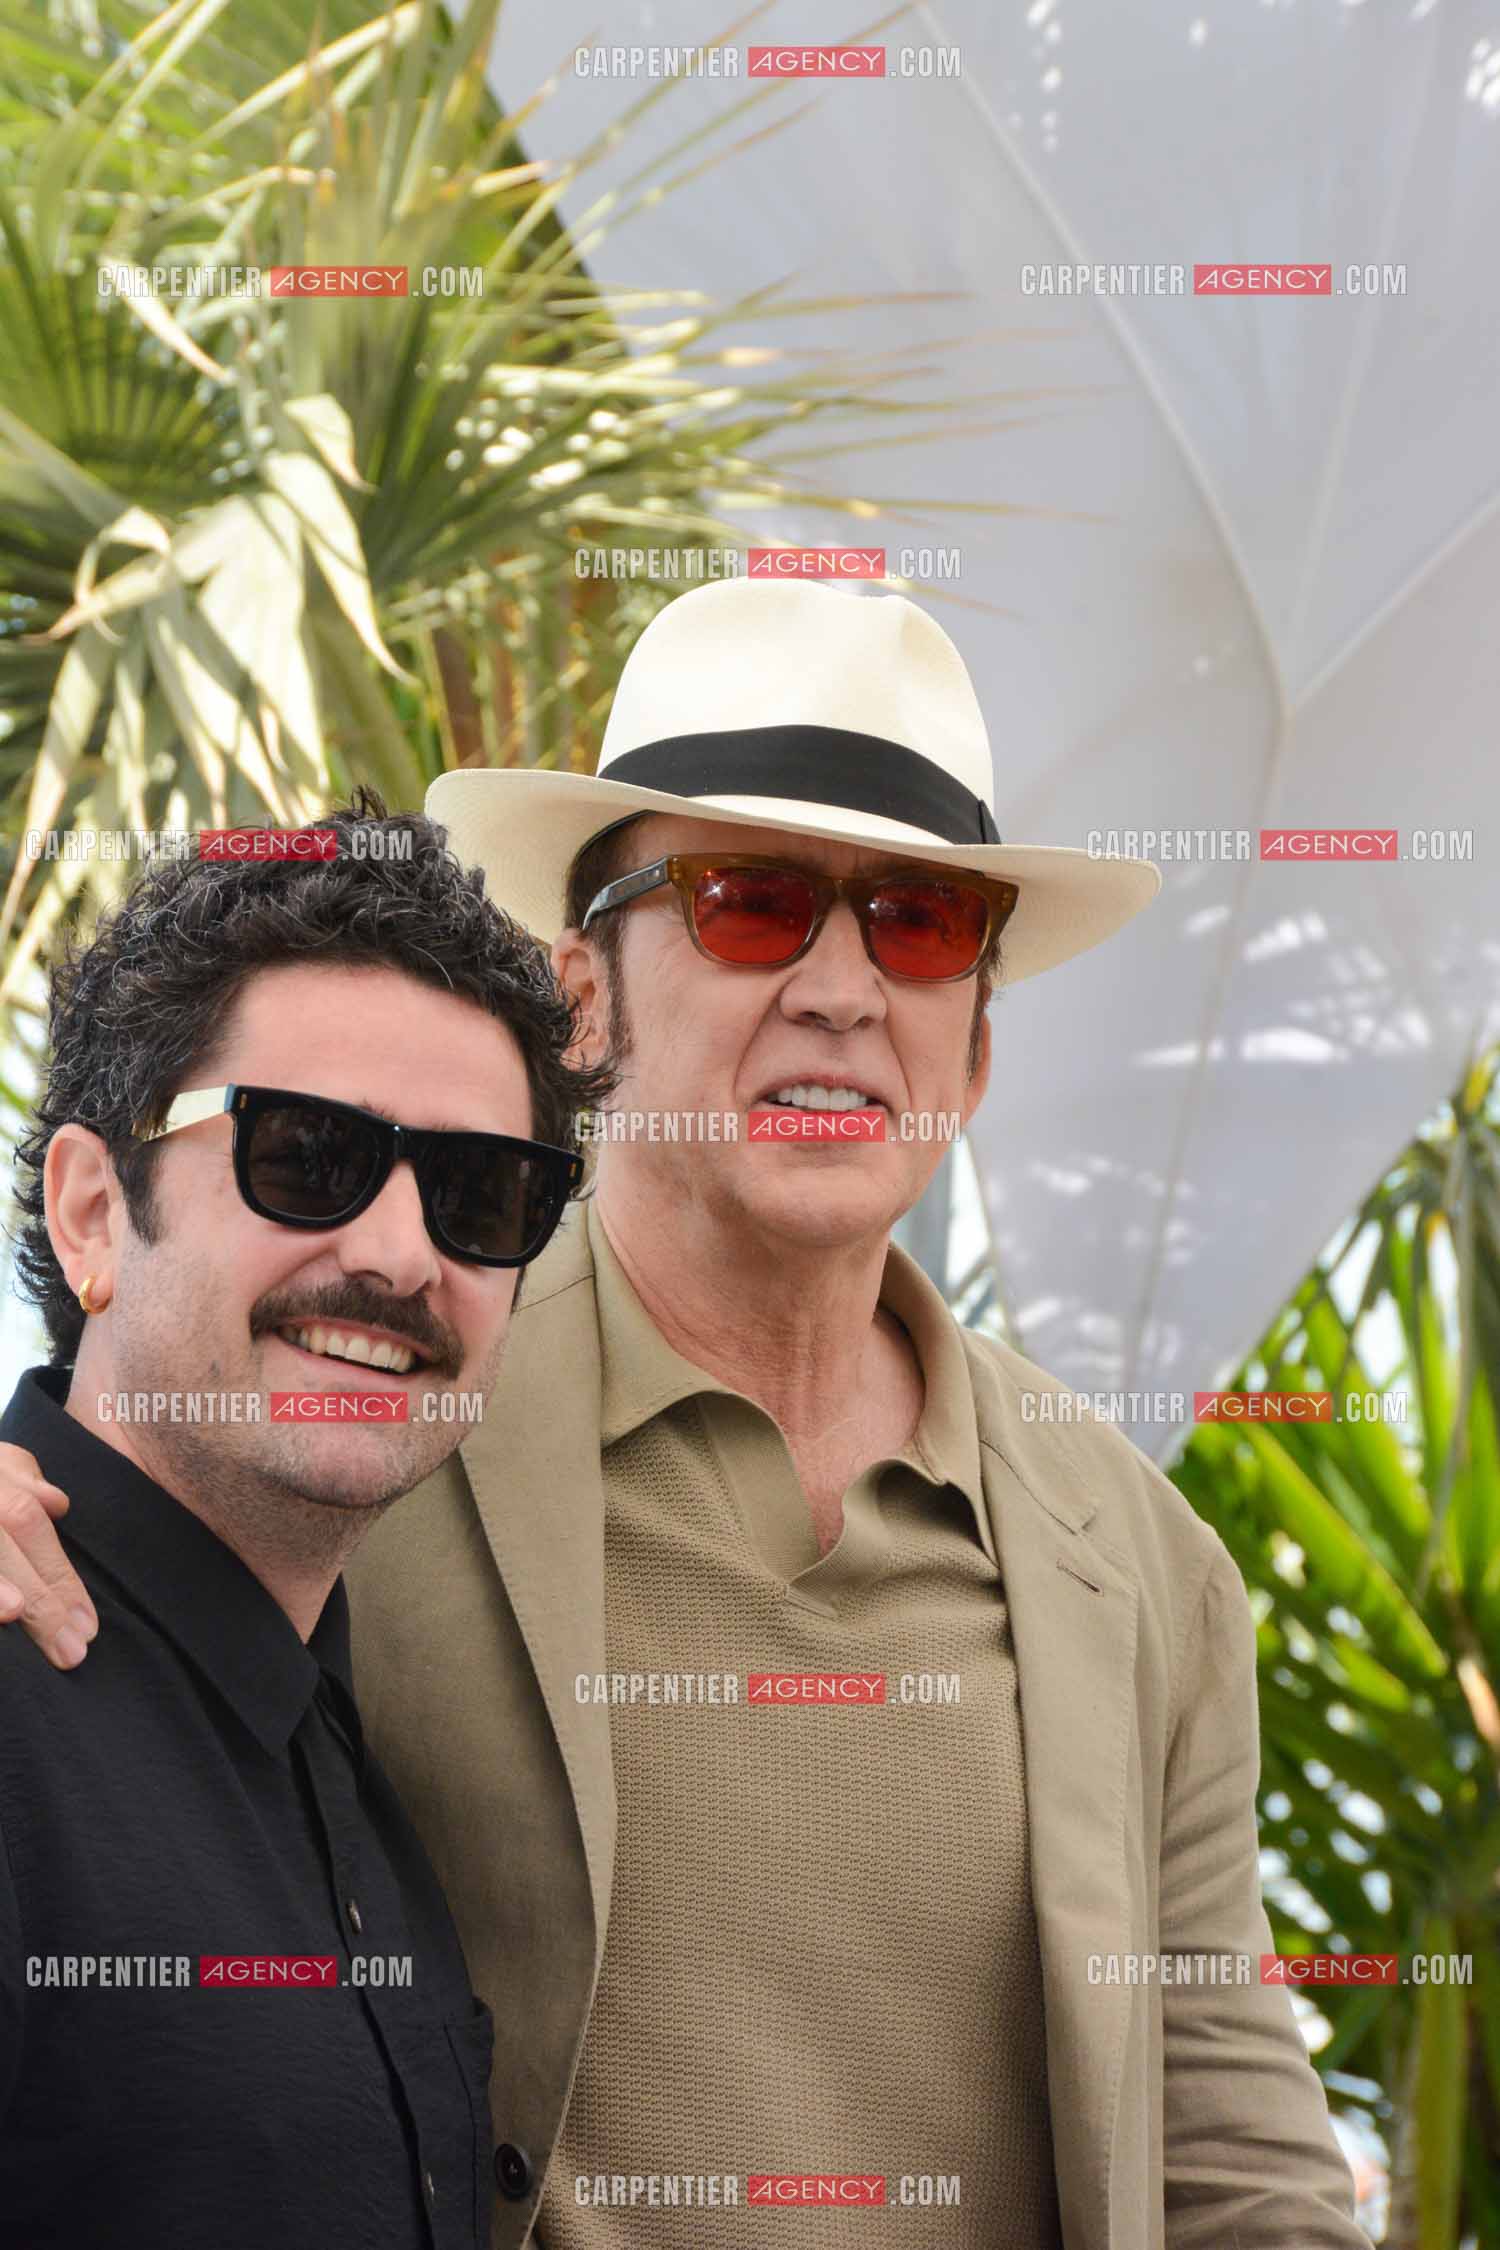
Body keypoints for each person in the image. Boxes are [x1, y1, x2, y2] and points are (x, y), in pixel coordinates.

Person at [0, 580, 1372, 2248]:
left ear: (980, 1045)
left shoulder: (1143, 1566)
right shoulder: (382, 1395)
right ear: (586, 999)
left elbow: (1234, 2162)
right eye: (751, 901)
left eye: (923, 924)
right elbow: (129, 1480)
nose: (846, 990)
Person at [0, 790, 611, 2247]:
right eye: (306, 1156)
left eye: (479, 1191)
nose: (402, 1254)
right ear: (94, 1212)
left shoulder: (360, 1752)